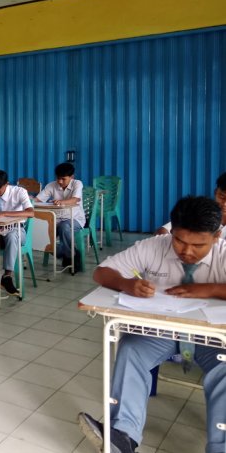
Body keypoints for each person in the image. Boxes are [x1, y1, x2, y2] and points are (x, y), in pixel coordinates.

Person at [78, 196, 226, 453]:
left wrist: (210, 289)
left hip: (212, 337)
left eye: (198, 245)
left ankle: (220, 446)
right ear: (172, 230)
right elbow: (101, 272)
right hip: (160, 331)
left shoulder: (224, 253)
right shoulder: (154, 246)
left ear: (216, 236)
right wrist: (126, 284)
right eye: (179, 241)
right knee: (130, 349)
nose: (187, 251)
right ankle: (123, 435)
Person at [34, 162, 84, 268]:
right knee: (41, 231)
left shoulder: (77, 183)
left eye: (63, 179)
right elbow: (38, 200)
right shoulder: (51, 185)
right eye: (58, 178)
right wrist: (29, 200)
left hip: (75, 219)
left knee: (64, 226)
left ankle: (70, 258)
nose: (60, 181)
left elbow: (75, 199)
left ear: (72, 177)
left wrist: (62, 202)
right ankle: (71, 254)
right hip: (56, 219)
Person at [155, 172, 226, 238]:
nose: (224, 203)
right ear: (215, 192)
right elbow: (162, 231)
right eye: (222, 197)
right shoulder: (201, 211)